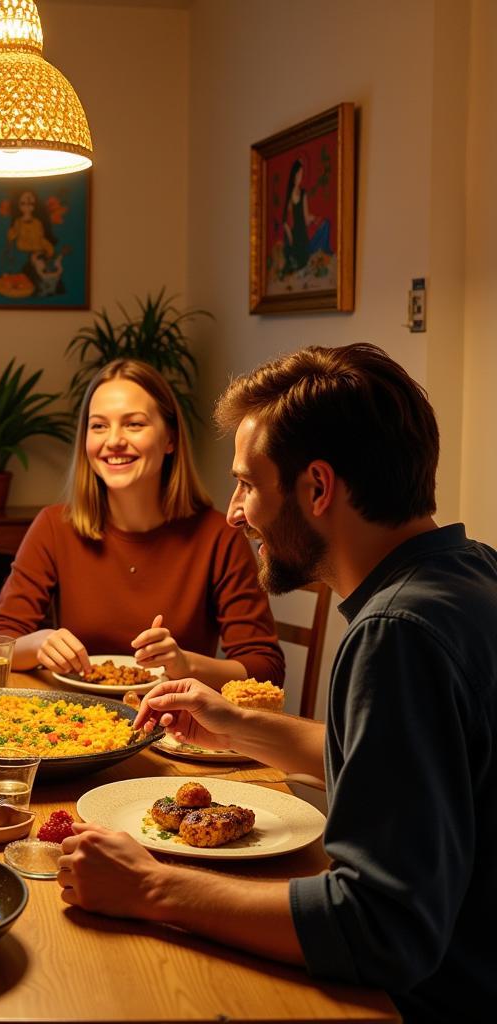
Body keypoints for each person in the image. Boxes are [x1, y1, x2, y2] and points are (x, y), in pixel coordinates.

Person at [57, 343, 497, 1023]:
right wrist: (242, 725)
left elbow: (379, 928)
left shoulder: (397, 632)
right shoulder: (469, 572)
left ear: (317, 488)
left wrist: (149, 887)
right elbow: (410, 776)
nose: (235, 512)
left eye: (248, 484)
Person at [0, 359, 284, 688]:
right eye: (98, 426)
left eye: (134, 424)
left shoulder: (218, 536)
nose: (114, 440)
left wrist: (185, 664)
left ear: (170, 438)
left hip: (177, 727)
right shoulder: (54, 526)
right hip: (76, 725)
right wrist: (39, 644)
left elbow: (265, 669)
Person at [281, 157, 331, 274]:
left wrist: (314, 219)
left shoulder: (296, 194)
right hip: (300, 240)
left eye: (302, 174)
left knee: (324, 225)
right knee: (325, 226)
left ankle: (296, 260)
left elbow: (304, 219)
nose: (300, 177)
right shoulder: (301, 194)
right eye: (299, 174)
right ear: (294, 175)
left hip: (298, 239)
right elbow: (298, 220)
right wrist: (314, 219)